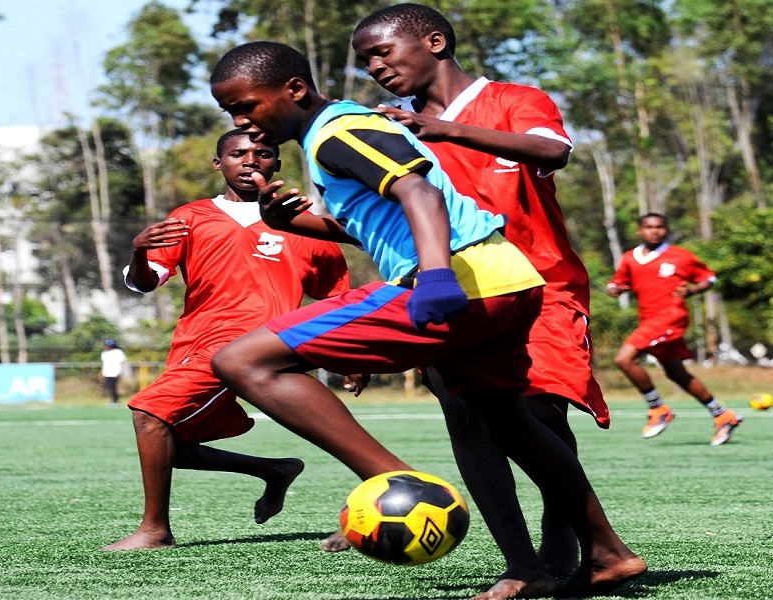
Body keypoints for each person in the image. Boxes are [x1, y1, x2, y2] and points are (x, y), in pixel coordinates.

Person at [209, 40, 646, 598]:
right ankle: (599, 555)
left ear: (294, 89)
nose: (242, 122)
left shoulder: (338, 132)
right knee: (507, 423)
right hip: (506, 280)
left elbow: (421, 195)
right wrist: (292, 223)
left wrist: (436, 277)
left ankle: (399, 483)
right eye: (231, 115)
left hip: (456, 281)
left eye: (247, 105)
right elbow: (381, 225)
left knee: (242, 361)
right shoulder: (340, 132)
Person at [350, 3, 607, 592]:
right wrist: (292, 217)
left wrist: (449, 131)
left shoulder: (516, 99)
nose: (375, 68)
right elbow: (385, 221)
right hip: (453, 289)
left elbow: (554, 151)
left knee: (539, 412)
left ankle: (568, 550)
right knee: (468, 419)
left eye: (383, 52)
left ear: (434, 41)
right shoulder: (391, 130)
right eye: (365, 61)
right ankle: (521, 565)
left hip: (542, 282)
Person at [103, 129, 351, 551]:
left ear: (277, 163)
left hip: (259, 345)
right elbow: (145, 284)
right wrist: (139, 251)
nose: (250, 160)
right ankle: (275, 470)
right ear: (219, 164)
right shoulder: (189, 217)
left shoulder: (305, 224)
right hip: (194, 346)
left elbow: (341, 298)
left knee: (148, 413)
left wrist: (350, 358)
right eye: (238, 153)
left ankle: (155, 531)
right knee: (171, 445)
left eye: (263, 153)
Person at [607, 213, 742, 445]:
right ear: (640, 230)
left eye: (659, 226)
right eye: (649, 227)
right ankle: (723, 415)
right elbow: (619, 281)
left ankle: (657, 408)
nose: (654, 231)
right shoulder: (631, 257)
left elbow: (709, 278)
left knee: (624, 359)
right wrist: (615, 289)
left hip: (670, 317)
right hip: (648, 319)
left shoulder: (680, 256)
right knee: (676, 373)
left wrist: (692, 290)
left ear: (666, 229)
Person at [99, 340, 127, 404]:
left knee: (113, 386)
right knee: (109, 387)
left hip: (115, 373)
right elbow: (104, 364)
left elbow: (122, 363)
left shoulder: (118, 352)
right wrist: (101, 372)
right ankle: (113, 400)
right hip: (107, 373)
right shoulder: (104, 353)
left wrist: (121, 372)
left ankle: (116, 400)